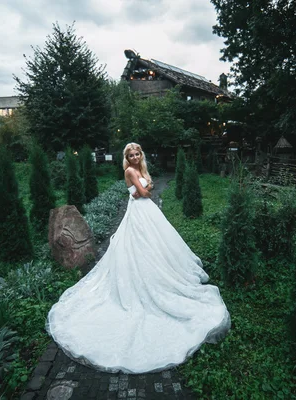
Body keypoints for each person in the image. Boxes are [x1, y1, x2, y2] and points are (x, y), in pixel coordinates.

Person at [46, 142, 230, 374]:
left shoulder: (140, 169)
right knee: (139, 246)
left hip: (146, 210)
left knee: (156, 246)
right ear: (126, 158)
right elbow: (144, 192)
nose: (134, 157)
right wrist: (146, 188)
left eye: (136, 154)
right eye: (130, 155)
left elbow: (147, 188)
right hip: (139, 211)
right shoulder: (130, 171)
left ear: (140, 154)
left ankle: (159, 274)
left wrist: (147, 187)